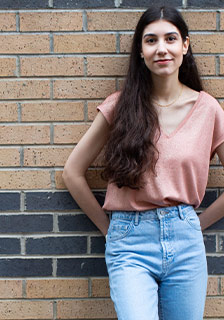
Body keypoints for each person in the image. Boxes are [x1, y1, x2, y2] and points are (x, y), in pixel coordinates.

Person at [63, 6, 224, 320]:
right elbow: (72, 172)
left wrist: (194, 225)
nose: (161, 48)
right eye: (151, 40)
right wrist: (109, 230)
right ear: (141, 51)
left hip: (186, 243)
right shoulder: (120, 106)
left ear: (185, 46)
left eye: (170, 39)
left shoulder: (209, 110)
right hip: (130, 245)